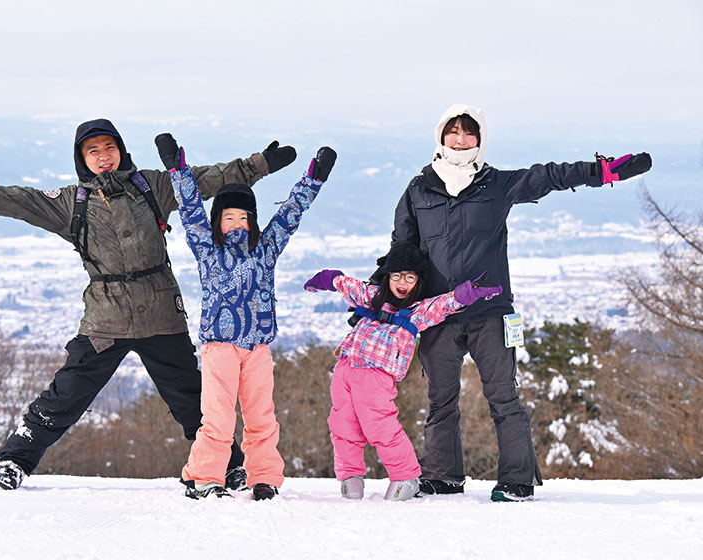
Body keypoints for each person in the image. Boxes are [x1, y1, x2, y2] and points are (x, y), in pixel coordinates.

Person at [0, 119, 298, 490]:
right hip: (105, 319)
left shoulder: (152, 187)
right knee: (67, 394)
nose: (103, 155)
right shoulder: (70, 203)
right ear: (82, 158)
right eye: (92, 150)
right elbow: (11, 200)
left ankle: (227, 466)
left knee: (193, 400)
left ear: (121, 150)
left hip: (160, 310)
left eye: (109, 147)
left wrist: (259, 165)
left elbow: (208, 179)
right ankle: (15, 459)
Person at [390, 104, 652, 501]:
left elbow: (550, 176)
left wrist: (602, 171)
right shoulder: (419, 189)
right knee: (439, 400)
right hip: (437, 313)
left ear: (480, 139)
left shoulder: (496, 184)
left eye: (469, 133)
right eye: (453, 132)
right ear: (441, 136)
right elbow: (401, 251)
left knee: (503, 396)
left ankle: (517, 479)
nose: (461, 140)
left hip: (491, 311)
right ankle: (443, 475)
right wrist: (383, 301)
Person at [156, 133, 335, 501]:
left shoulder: (265, 249)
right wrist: (177, 169)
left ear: (252, 221)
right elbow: (190, 209)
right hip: (220, 348)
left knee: (261, 417)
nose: (236, 223)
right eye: (228, 217)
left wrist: (314, 179)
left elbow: (289, 215)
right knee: (219, 418)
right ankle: (205, 476)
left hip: (257, 348)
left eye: (244, 217)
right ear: (217, 221)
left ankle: (264, 477)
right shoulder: (208, 249)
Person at [303, 243, 501, 501]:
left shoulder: (417, 311)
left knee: (380, 427)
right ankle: (350, 477)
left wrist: (467, 294)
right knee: (343, 426)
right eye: (396, 276)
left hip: (376, 376)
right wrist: (329, 279)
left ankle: (405, 475)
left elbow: (444, 304)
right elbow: (348, 285)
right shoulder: (372, 297)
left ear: (417, 282)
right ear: (387, 278)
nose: (401, 282)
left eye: (409, 277)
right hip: (345, 369)